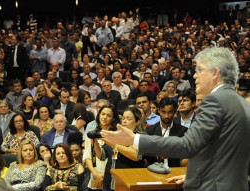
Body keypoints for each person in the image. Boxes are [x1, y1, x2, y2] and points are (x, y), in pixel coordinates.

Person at [100, 47, 250, 191]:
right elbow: (222, 154)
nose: (195, 75)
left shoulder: (215, 101)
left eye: (199, 70)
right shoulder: (243, 104)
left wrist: (134, 139)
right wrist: (196, 176)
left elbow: (187, 145)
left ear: (215, 73)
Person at [83, 104, 120, 190]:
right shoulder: (92, 133)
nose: (104, 117)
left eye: (108, 115)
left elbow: (115, 156)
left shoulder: (116, 135)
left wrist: (104, 174)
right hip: (95, 173)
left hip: (111, 174)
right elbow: (88, 156)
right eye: (103, 114)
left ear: (113, 118)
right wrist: (96, 174)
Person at [146, 97, 188, 167]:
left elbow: (184, 155)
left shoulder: (183, 131)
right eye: (163, 112)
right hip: (153, 170)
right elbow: (146, 154)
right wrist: (157, 155)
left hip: (175, 171)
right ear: (158, 111)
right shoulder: (150, 130)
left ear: (175, 112)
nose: (167, 116)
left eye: (170, 112)